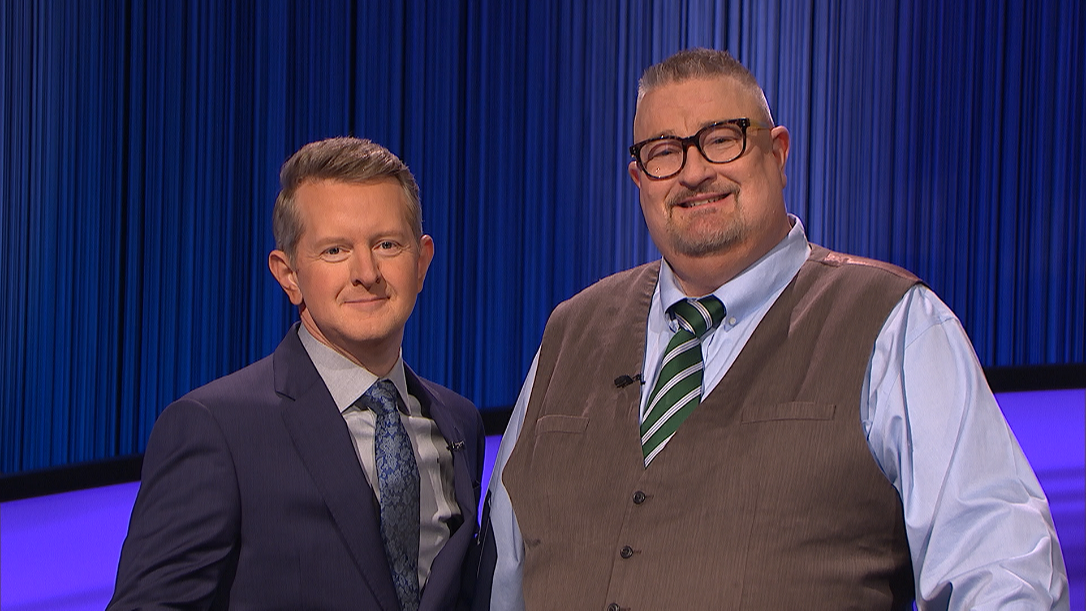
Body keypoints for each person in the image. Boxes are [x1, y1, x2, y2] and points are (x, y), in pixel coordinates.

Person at [475, 49, 1068, 610]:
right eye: (664, 151)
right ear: (639, 178)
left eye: (721, 140)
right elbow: (501, 576)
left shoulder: (896, 324)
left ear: (778, 151)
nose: (695, 172)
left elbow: (1000, 566)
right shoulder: (570, 331)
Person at [109, 137, 485, 611]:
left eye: (387, 244)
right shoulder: (216, 428)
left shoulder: (458, 421)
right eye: (335, 250)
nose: (366, 272)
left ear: (422, 260)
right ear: (288, 275)